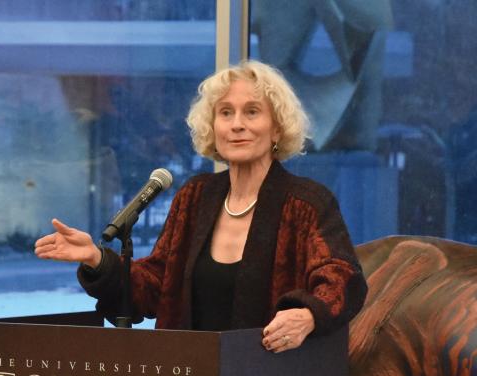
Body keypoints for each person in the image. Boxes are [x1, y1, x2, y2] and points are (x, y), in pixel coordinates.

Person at [35, 60, 367, 351]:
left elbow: (342, 279)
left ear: (277, 127)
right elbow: (154, 287)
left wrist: (308, 315)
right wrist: (96, 259)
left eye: (252, 111)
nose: (237, 124)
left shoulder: (306, 204)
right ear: (214, 129)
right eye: (226, 113)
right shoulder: (194, 198)